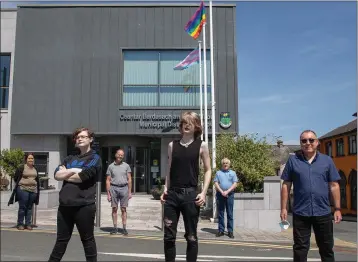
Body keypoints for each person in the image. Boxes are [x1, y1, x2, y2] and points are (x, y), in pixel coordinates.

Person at [280, 130, 342, 262]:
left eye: (311, 140)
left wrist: (337, 209)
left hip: (323, 212)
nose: (308, 143)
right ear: (301, 143)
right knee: (300, 249)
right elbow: (286, 185)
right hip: (301, 212)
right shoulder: (293, 161)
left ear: (317, 142)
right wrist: (284, 208)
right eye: (304, 140)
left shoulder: (327, 161)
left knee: (326, 249)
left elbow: (334, 185)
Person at [160, 111, 211, 262]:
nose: (187, 125)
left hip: (190, 196)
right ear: (180, 126)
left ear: (197, 126)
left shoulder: (202, 145)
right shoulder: (172, 145)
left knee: (191, 236)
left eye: (190, 122)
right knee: (168, 237)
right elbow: (169, 169)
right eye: (184, 122)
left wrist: (203, 193)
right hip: (173, 195)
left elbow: (208, 170)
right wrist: (165, 189)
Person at [48, 127, 102, 262]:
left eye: (83, 136)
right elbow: (56, 175)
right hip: (65, 206)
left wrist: (66, 173)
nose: (80, 139)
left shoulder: (95, 158)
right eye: (78, 137)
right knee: (61, 241)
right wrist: (73, 170)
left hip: (84, 206)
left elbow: (82, 177)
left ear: (90, 139)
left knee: (87, 240)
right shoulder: (69, 158)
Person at [8, 153, 40, 230]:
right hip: (23, 189)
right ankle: (20, 224)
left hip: (33, 190)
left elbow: (36, 179)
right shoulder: (21, 168)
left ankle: (28, 224)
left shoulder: (35, 168)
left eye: (32, 158)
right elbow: (16, 178)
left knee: (29, 208)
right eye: (29, 158)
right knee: (23, 207)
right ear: (26, 159)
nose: (31, 160)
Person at [106, 149, 132, 235]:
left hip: (124, 188)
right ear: (116, 155)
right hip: (113, 188)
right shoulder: (110, 166)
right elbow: (108, 180)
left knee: (123, 209)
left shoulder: (126, 166)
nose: (120, 156)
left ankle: (124, 228)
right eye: (119, 154)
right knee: (114, 209)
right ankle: (115, 228)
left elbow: (129, 179)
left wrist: (129, 192)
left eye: (122, 155)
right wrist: (108, 193)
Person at [213, 158, 238, 238]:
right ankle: (221, 230)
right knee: (221, 213)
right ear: (222, 164)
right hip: (220, 195)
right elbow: (216, 183)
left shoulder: (233, 173)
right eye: (224, 163)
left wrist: (227, 191)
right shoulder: (218, 173)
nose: (225, 164)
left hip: (230, 195)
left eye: (227, 163)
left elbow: (235, 184)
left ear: (229, 164)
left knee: (230, 213)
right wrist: (221, 192)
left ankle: (230, 231)